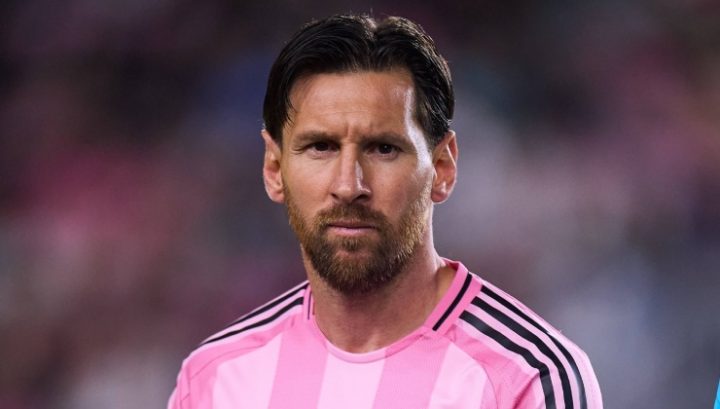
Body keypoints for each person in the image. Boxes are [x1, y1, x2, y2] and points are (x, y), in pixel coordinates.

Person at [168, 13, 603, 408]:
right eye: (321, 147)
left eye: (383, 148)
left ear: (443, 167)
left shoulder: (530, 378)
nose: (348, 186)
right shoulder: (214, 379)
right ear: (274, 168)